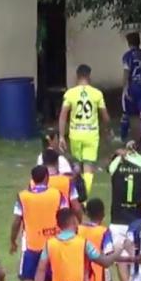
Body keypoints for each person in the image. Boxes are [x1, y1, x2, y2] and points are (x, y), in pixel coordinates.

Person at [10, 165, 68, 281]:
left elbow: (16, 221)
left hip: (32, 244)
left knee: (26, 277)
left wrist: (12, 240)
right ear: (46, 178)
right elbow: (65, 216)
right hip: (52, 244)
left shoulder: (23, 197)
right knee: (48, 280)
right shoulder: (57, 194)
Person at [59, 64, 111, 195]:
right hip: (91, 134)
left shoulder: (70, 93)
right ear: (89, 76)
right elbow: (105, 117)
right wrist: (106, 130)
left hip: (75, 133)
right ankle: (85, 198)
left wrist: (61, 136)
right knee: (88, 167)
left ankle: (75, 194)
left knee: (77, 166)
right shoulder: (97, 94)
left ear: (77, 76)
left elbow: (63, 116)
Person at [108, 142, 141, 281]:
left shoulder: (116, 166)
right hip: (136, 219)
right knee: (135, 257)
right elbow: (139, 160)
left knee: (121, 259)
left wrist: (119, 154)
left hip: (118, 219)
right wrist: (131, 152)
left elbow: (111, 164)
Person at [42, 149, 83, 220]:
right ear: (57, 162)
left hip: (43, 222)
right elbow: (76, 208)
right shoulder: (67, 181)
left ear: (43, 163)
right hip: (63, 224)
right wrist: (79, 223)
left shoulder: (34, 182)